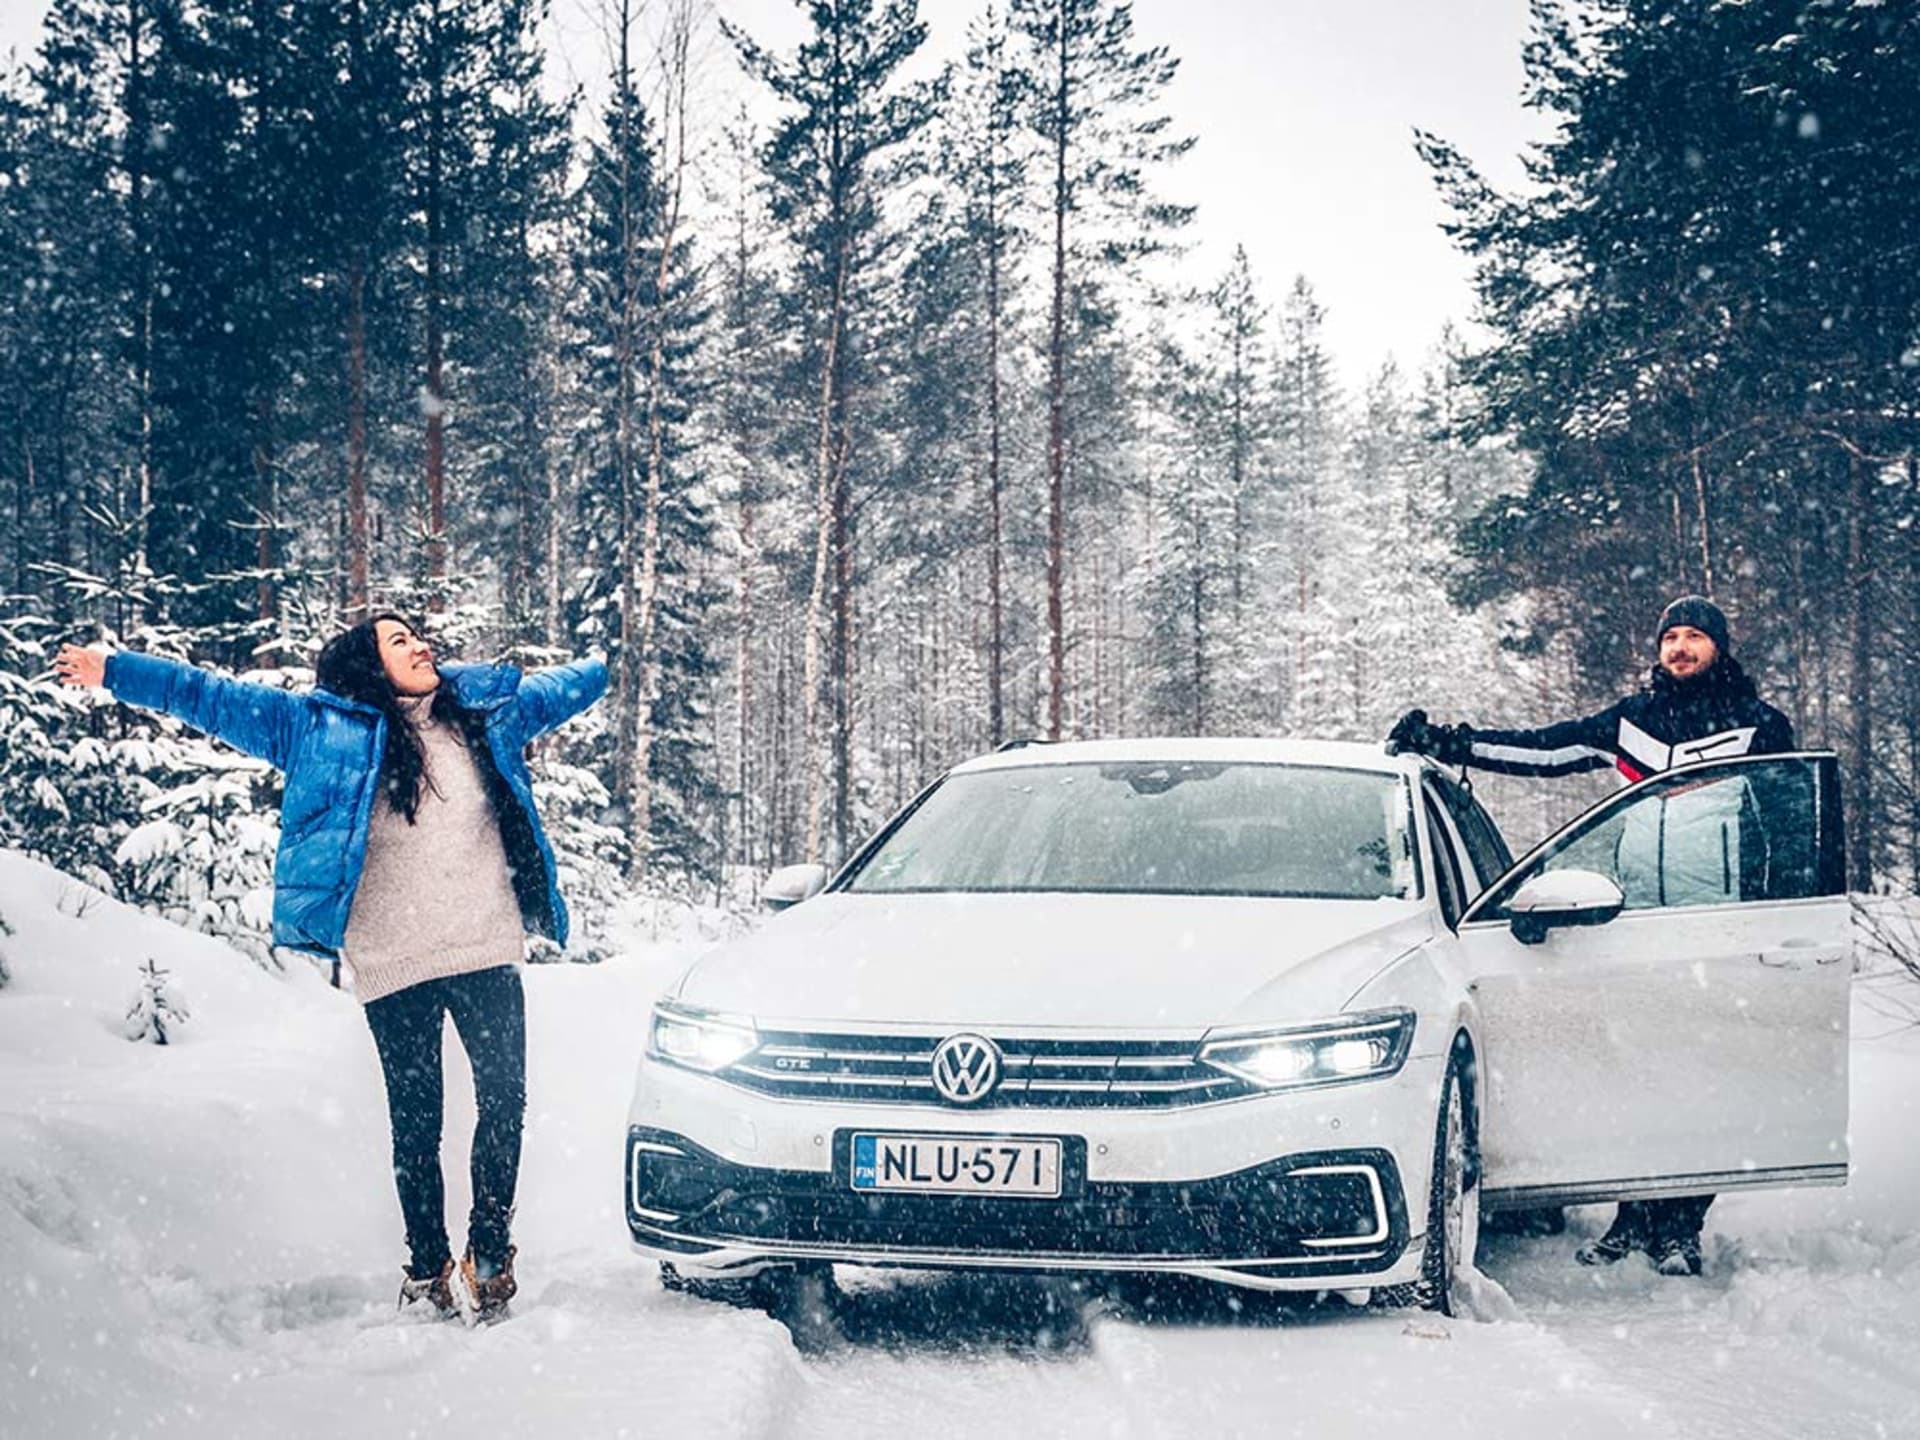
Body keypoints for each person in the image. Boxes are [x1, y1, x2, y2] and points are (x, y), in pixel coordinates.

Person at [55, 615, 607, 1321]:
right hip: (393, 955)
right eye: (399, 642)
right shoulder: (315, 729)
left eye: (418, 636)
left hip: (484, 945)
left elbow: (559, 688)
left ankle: (490, 1252)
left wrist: (607, 661)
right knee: (418, 1122)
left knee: (505, 1103)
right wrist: (115, 671)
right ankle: (427, 1266)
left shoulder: (481, 710)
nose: (419, 646)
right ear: (368, 666)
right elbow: (207, 695)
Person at [1385, 594, 1794, 1278]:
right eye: (1672, 638)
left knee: (1700, 1076)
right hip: (1635, 925)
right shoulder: (1635, 721)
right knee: (1638, 1070)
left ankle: (1680, 1225)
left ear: (1719, 648)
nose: (1681, 648)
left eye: (1695, 637)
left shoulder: (1758, 727)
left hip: (1714, 925)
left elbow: (1785, 820)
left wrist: (1776, 909)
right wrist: (1450, 743)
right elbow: (1544, 750)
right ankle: (1633, 1218)